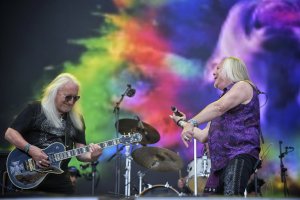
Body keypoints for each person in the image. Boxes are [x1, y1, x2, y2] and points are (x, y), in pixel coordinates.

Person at [170, 56, 262, 196]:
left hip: (239, 154)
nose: (214, 73)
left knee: (231, 196)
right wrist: (182, 122)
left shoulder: (243, 86)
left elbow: (219, 107)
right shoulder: (223, 101)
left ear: (231, 70)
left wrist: (191, 123)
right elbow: (202, 136)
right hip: (219, 164)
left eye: (218, 68)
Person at [4, 73, 102, 195]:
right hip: (28, 174)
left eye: (75, 98)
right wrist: (30, 149)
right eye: (68, 97)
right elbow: (10, 133)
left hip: (59, 179)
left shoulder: (76, 119)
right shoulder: (35, 109)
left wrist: (93, 156)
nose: (71, 102)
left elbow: (81, 153)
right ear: (54, 93)